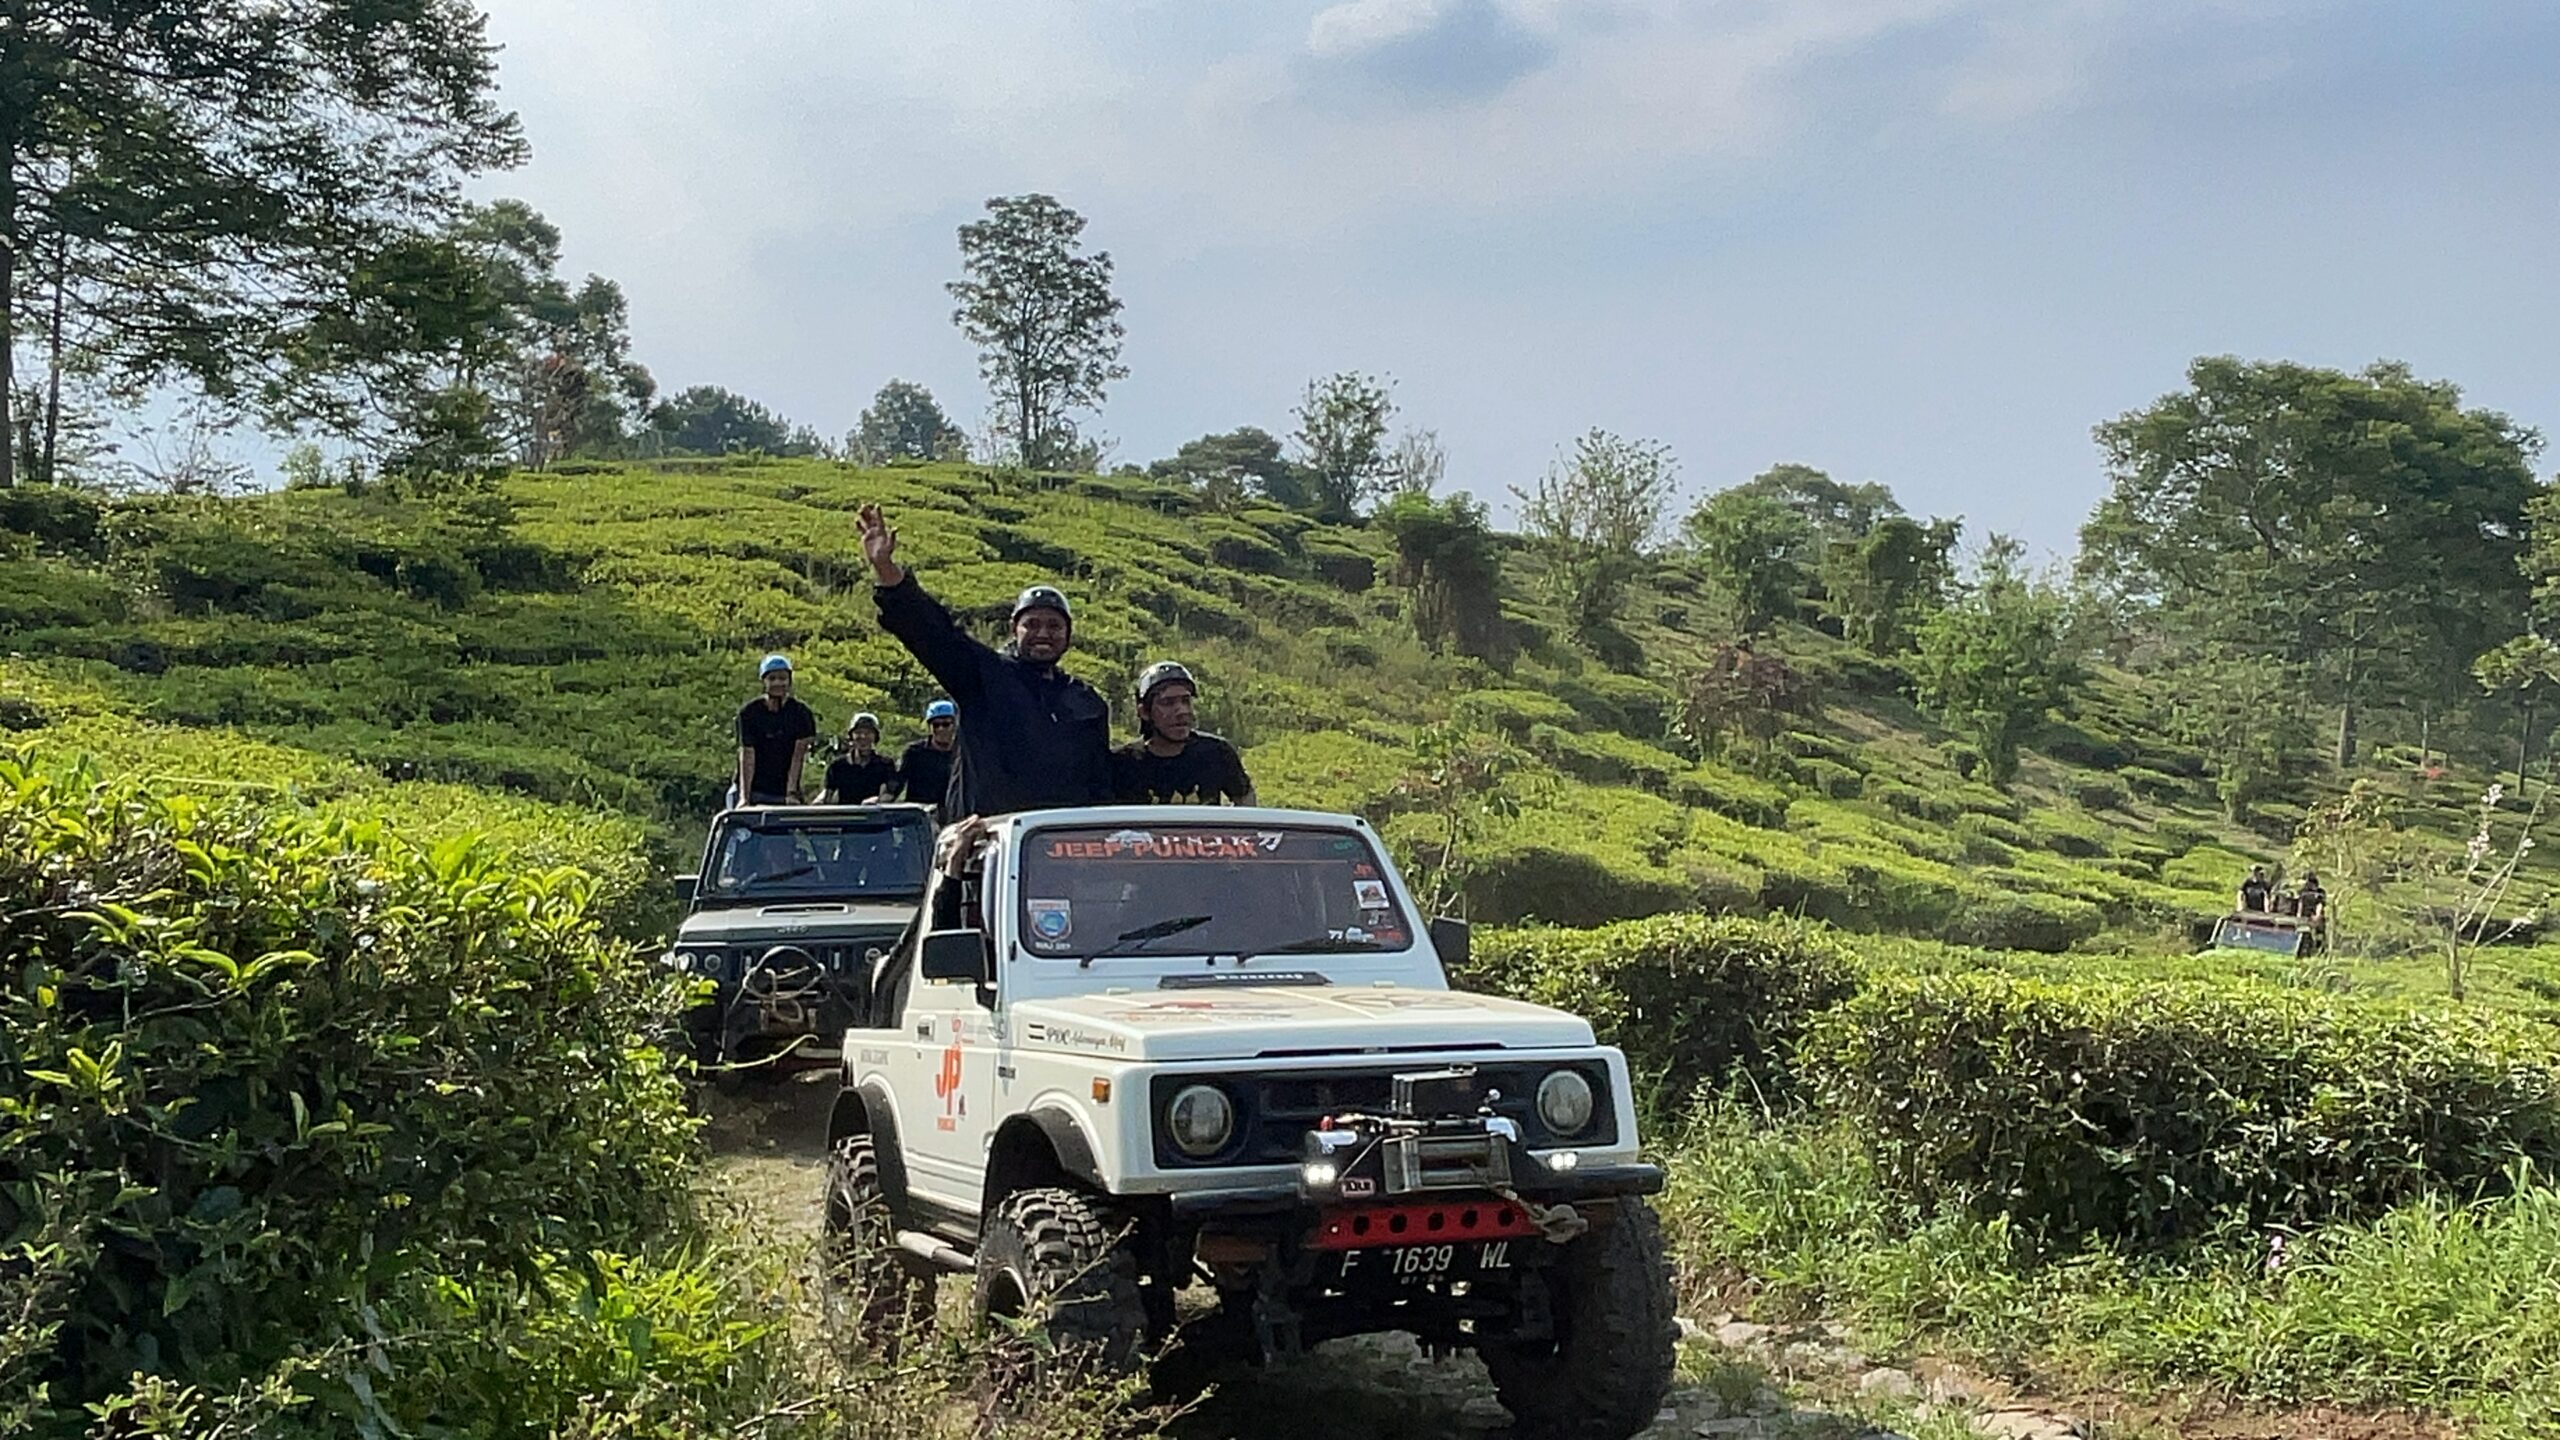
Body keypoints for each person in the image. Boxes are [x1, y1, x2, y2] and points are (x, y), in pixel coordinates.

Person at [857, 504, 1113, 820]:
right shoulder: (986, 675)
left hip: (1059, 844)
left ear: (1068, 634)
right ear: (1014, 629)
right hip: (986, 841)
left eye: (1054, 625)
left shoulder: (1087, 701)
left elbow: (1102, 785)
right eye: (1032, 624)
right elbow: (934, 634)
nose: (1043, 633)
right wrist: (887, 571)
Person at [1111, 661, 1256, 806]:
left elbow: (1245, 798)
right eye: (1168, 703)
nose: (1182, 711)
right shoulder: (1122, 763)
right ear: (1144, 712)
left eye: (1186, 701)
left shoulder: (1217, 753)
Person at [733, 654, 816, 807]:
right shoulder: (749, 713)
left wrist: (791, 793)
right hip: (752, 787)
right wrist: (744, 798)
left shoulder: (801, 714)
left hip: (783, 788)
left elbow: (798, 756)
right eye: (772, 679)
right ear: (764, 682)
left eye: (782, 678)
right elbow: (747, 754)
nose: (778, 683)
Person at [893, 699, 960, 818]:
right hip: (919, 818)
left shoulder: (963, 754)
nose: (941, 729)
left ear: (954, 725)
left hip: (954, 817)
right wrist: (880, 800)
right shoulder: (914, 753)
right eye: (936, 725)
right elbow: (896, 783)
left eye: (946, 724)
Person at [822, 712, 899, 804]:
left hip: (874, 811)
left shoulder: (885, 764)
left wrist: (877, 800)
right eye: (858, 732)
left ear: (875, 737)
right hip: (846, 812)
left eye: (868, 733)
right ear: (851, 736)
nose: (863, 737)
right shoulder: (838, 765)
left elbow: (889, 793)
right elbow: (827, 794)